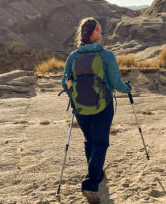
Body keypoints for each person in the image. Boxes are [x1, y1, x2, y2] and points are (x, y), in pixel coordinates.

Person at [61, 17, 131, 204]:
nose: (101, 32)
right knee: (101, 143)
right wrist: (128, 89)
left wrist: (76, 97)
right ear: (94, 33)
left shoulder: (73, 57)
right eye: (99, 29)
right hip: (103, 106)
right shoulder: (106, 55)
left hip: (81, 109)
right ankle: (90, 184)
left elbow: (64, 83)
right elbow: (116, 83)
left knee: (90, 141)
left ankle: (96, 172)